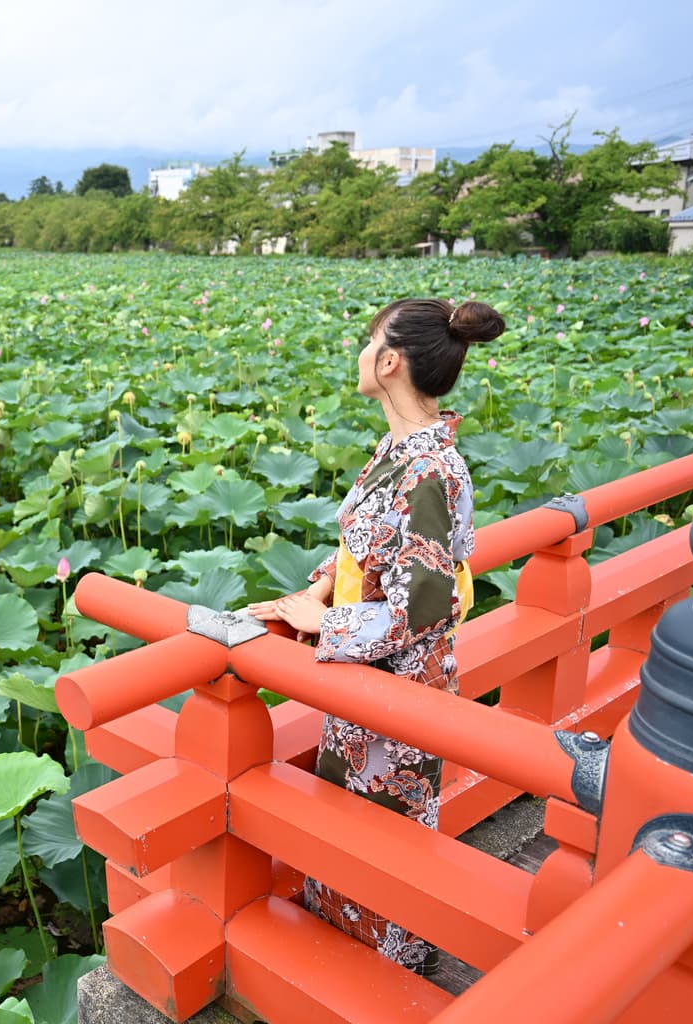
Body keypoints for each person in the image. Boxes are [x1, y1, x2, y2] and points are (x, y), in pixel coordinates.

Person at [246, 297, 506, 975]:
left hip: (400, 689)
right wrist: (326, 584)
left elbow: (423, 605)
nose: (360, 354)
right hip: (363, 679)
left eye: (368, 344)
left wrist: (324, 623)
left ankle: (390, 978)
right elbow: (372, 549)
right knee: (344, 828)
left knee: (382, 842)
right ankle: (342, 960)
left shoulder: (429, 470)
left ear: (390, 362)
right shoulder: (402, 448)